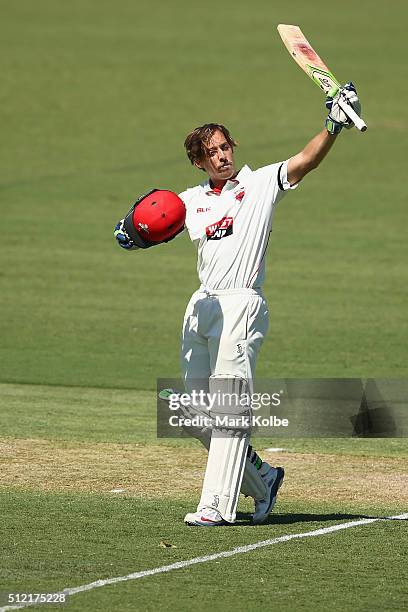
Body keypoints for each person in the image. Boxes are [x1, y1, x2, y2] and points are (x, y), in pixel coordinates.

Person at [114, 83, 362, 526]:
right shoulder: (191, 201)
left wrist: (333, 125)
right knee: (187, 410)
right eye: (212, 152)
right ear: (198, 161)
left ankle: (217, 506)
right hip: (203, 305)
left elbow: (305, 161)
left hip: (242, 304)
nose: (222, 156)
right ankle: (262, 479)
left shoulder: (260, 182)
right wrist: (132, 233)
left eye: (226, 147)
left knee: (228, 404)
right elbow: (154, 221)